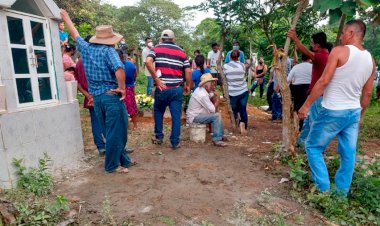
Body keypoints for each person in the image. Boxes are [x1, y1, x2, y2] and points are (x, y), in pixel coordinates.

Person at [298, 20, 375, 196]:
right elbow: (368, 93)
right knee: (348, 153)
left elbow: (324, 81)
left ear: (351, 33)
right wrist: (361, 115)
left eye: (343, 33)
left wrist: (306, 105)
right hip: (353, 112)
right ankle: (340, 195)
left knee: (313, 146)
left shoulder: (339, 51)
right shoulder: (370, 59)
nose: (340, 37)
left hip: (333, 110)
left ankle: (323, 190)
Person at [61, 9, 134, 173]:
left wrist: (66, 18)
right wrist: (122, 88)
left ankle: (124, 160)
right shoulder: (108, 51)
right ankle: (112, 165)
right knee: (118, 131)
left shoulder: (86, 49)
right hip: (111, 96)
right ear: (110, 40)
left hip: (97, 99)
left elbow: (75, 34)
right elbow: (119, 69)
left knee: (110, 131)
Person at [145, 29, 191, 150]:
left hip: (162, 88)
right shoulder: (181, 52)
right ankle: (175, 142)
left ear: (161, 39)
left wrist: (156, 78)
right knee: (176, 116)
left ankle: (159, 137)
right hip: (176, 89)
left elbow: (148, 61)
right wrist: (188, 85)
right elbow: (188, 70)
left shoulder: (156, 49)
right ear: (174, 39)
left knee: (159, 112)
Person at [288, 30, 330, 146]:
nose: (311, 45)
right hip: (315, 95)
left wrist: (296, 39)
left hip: (318, 96)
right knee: (308, 120)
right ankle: (302, 143)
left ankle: (312, 146)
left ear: (317, 45)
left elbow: (308, 53)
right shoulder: (325, 55)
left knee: (314, 122)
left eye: (312, 43)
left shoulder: (322, 56)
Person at [74, 36, 106, 155]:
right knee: (108, 121)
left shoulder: (79, 63)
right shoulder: (94, 59)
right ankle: (111, 145)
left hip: (91, 97)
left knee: (96, 122)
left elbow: (77, 82)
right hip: (101, 95)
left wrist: (87, 96)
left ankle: (101, 146)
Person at [186, 74, 227, 147]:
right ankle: (217, 139)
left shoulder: (201, 90)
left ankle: (220, 134)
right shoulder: (202, 94)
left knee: (217, 114)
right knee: (216, 115)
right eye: (211, 83)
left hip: (196, 115)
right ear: (206, 85)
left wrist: (214, 94)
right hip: (194, 117)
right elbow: (213, 110)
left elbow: (211, 95)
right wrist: (218, 99)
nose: (213, 84)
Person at [224, 50, 249, 135]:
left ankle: (236, 124)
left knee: (234, 110)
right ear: (239, 57)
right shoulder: (242, 65)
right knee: (243, 110)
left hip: (233, 93)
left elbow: (224, 79)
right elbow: (244, 75)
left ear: (230, 57)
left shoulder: (225, 66)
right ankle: (244, 127)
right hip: (243, 91)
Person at [287, 54, 312, 130]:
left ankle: (297, 125)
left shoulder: (296, 67)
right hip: (308, 88)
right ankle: (305, 126)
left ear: (301, 58)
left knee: (297, 106)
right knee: (307, 106)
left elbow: (288, 79)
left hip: (296, 88)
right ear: (310, 59)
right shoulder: (312, 67)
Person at [117, 49, 139, 129]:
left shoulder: (116, 65)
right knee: (132, 106)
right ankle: (135, 125)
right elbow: (135, 75)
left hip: (119, 88)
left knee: (121, 107)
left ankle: (124, 125)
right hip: (130, 87)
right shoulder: (131, 64)